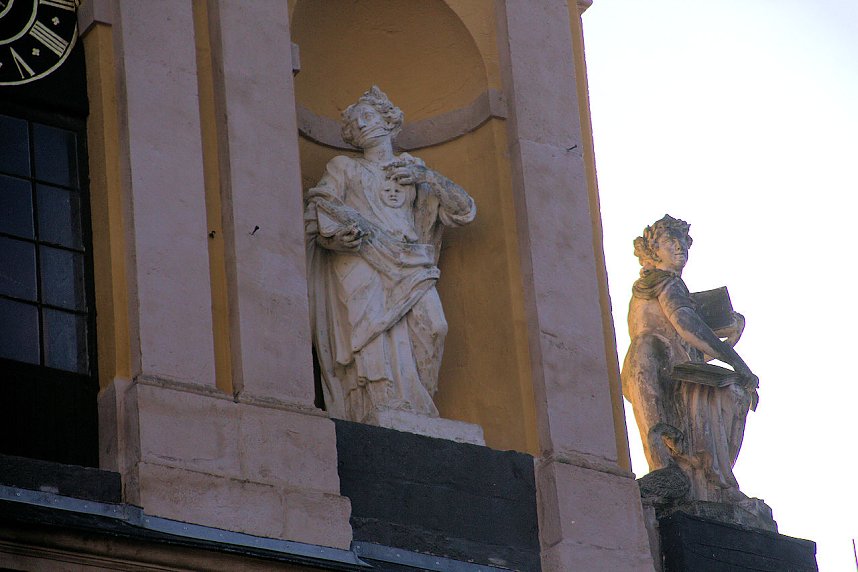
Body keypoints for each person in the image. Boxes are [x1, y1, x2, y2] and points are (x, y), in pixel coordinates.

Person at [305, 86, 476, 424]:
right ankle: (377, 407)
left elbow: (464, 209)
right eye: (356, 122)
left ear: (388, 121)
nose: (362, 125)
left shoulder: (415, 170)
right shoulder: (344, 167)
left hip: (412, 263)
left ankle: (419, 406)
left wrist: (428, 178)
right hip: (361, 261)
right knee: (372, 338)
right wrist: (340, 237)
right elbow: (319, 209)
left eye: (368, 116)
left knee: (434, 328)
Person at [621, 215, 758, 503]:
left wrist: (731, 335)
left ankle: (704, 480)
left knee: (729, 392)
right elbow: (685, 325)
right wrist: (738, 364)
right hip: (660, 374)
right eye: (670, 241)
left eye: (683, 242)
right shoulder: (665, 283)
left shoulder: (659, 284)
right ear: (653, 250)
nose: (679, 247)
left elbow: (689, 349)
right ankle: (711, 481)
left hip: (665, 373)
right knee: (734, 391)